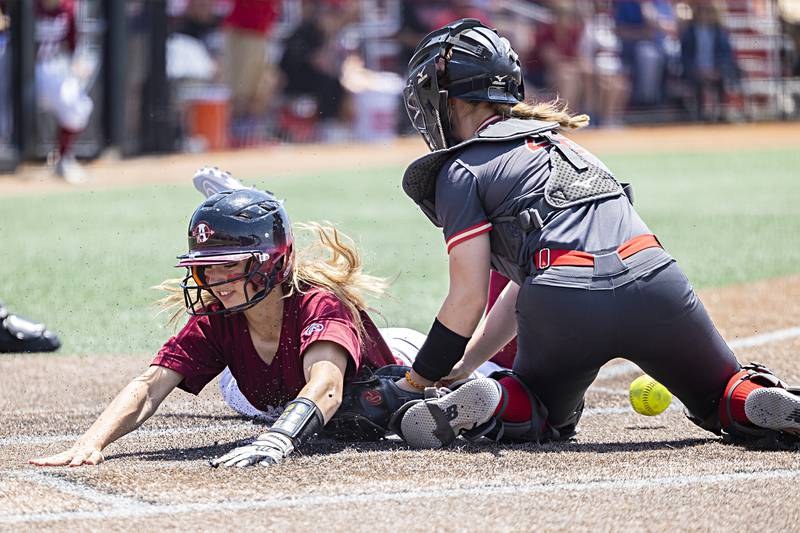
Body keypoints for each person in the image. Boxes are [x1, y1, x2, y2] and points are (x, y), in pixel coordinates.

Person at [392, 19, 800, 450]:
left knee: (538, 412)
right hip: (653, 277)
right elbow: (521, 282)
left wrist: (419, 378)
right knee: (721, 393)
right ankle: (751, 400)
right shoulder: (567, 146)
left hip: (562, 295)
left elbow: (468, 299)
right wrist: (469, 363)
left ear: (446, 97)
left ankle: (499, 402)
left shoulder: (461, 169)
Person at [35, 0, 95, 184]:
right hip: (13, 65)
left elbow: (73, 43)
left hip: (47, 67)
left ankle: (63, 157)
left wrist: (78, 61)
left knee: (79, 106)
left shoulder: (68, 7)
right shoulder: (28, 5)